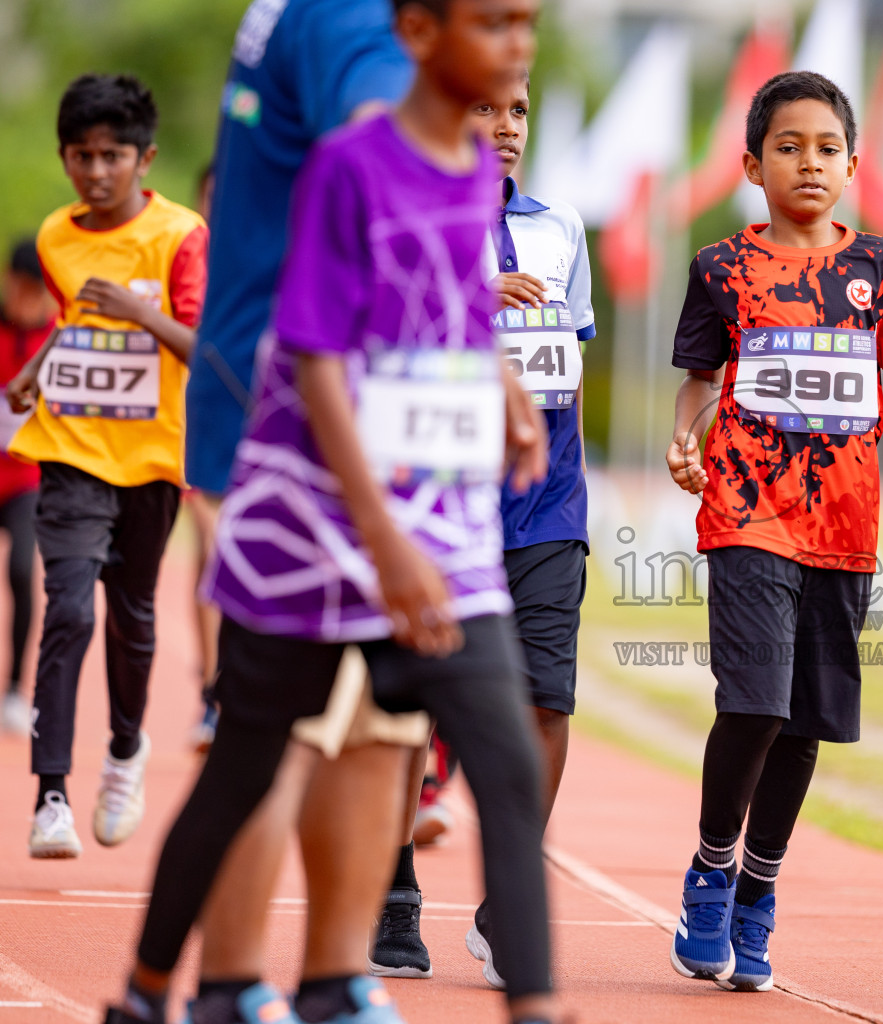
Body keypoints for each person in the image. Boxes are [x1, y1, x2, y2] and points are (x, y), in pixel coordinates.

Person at [104, 2, 555, 1023]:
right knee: (260, 753)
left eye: (527, 22)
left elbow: (457, 294)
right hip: (308, 497)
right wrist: (382, 539)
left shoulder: (476, 168)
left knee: (502, 757)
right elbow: (314, 352)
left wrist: (504, 388)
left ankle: (523, 1000)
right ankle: (155, 990)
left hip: (435, 503)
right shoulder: (357, 143)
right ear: (421, 33)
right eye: (496, 23)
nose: (519, 46)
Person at [665, 70, 883, 993]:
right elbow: (700, 381)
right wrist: (684, 440)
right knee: (752, 701)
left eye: (826, 148)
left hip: (846, 527)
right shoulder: (721, 268)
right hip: (748, 516)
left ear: (853, 163)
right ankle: (712, 871)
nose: (809, 163)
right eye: (788, 147)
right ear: (752, 164)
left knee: (804, 722)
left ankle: (759, 890)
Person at [368, 69, 599, 986]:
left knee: (547, 700)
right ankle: (393, 891)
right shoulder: (405, 219)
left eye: (518, 111)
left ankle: (508, 905)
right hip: (433, 501)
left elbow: (565, 357)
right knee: (417, 704)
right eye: (484, 108)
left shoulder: (562, 227)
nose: (505, 128)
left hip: (546, 502)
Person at [6, 74, 207, 859]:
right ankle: (50, 793)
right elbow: (72, 316)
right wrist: (36, 368)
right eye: (82, 156)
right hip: (70, 451)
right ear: (64, 158)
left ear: (144, 157)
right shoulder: (57, 235)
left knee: (133, 617)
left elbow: (205, 345)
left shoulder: (181, 236)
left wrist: (141, 312)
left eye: (113, 156)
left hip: (154, 458)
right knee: (70, 610)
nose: (96, 172)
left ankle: (126, 750)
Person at [0, 240, 53, 735]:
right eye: (20, 289)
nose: (27, 298)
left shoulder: (55, 338)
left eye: (36, 291)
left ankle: (16, 688)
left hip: (24, 479)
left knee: (21, 568)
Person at [186, 161, 221, 752]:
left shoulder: (280, 247)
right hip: (199, 428)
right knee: (213, 552)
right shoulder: (192, 253)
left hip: (264, 428)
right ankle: (215, 694)